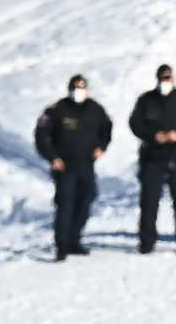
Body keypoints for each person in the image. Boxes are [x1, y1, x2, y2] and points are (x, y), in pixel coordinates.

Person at [35, 74, 112, 261]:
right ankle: (61, 246)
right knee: (65, 204)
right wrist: (52, 157)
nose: (78, 91)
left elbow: (107, 128)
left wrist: (101, 147)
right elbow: (41, 135)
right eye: (75, 88)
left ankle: (74, 240)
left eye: (81, 88)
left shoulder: (95, 109)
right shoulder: (57, 110)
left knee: (87, 199)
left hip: (86, 164)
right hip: (64, 166)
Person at [129, 64, 176, 254]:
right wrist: (153, 135)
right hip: (152, 156)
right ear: (157, 79)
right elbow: (135, 124)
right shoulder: (146, 100)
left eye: (168, 78)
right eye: (162, 78)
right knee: (149, 201)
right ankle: (147, 242)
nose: (165, 82)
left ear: (174, 78)